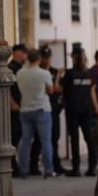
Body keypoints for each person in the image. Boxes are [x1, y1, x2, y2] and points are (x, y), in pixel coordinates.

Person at [16, 49, 58, 178]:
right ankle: (49, 169)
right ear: (39, 59)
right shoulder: (44, 73)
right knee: (46, 141)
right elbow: (51, 91)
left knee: (25, 140)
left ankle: (23, 170)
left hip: (25, 109)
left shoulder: (20, 73)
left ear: (28, 58)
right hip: (42, 109)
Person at [61, 46, 98, 177]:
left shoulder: (70, 73)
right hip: (87, 109)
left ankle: (76, 168)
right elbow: (92, 90)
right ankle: (92, 167)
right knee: (90, 138)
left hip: (73, 110)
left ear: (74, 58)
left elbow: (61, 89)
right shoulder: (89, 73)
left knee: (75, 139)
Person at [31, 46, 66, 175]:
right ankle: (33, 165)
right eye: (44, 57)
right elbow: (49, 89)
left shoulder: (55, 72)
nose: (47, 60)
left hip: (53, 109)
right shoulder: (37, 72)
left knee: (54, 138)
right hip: (40, 109)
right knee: (38, 139)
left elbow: (59, 89)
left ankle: (56, 165)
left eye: (48, 57)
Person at [9, 43, 27, 176]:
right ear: (17, 53)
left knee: (19, 135)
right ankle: (13, 165)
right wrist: (12, 103)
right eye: (24, 52)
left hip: (22, 106)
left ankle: (16, 165)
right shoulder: (11, 68)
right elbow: (8, 87)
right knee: (14, 135)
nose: (25, 55)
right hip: (14, 108)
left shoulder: (22, 67)